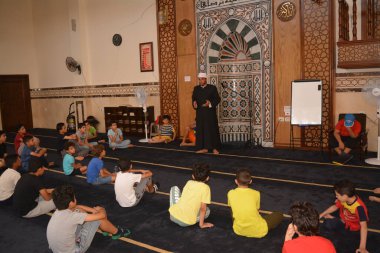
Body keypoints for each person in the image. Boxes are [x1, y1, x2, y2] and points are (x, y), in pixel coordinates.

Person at [47, 185, 131, 253]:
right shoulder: (72, 216)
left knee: (81, 211)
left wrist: (93, 210)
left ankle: (105, 229)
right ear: (71, 202)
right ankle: (117, 232)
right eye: (75, 198)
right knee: (99, 219)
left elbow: (77, 207)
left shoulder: (59, 210)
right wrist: (100, 209)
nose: (76, 199)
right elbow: (101, 215)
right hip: (75, 250)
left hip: (57, 250)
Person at [227, 168, 283, 238]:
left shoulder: (230, 193)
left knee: (233, 210)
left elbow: (232, 210)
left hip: (238, 230)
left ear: (236, 181)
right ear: (250, 181)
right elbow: (257, 211)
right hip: (258, 230)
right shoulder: (256, 193)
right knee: (279, 214)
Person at [319, 180, 368, 253]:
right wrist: (321, 215)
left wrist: (362, 247)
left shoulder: (359, 208)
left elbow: (364, 226)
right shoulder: (345, 199)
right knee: (327, 221)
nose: (336, 196)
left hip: (352, 227)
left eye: (337, 195)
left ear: (345, 196)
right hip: (344, 219)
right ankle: (337, 220)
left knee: (340, 244)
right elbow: (335, 207)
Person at [169, 163, 213, 228]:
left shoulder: (189, 182)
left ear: (193, 176)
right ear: (207, 178)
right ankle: (188, 214)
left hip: (172, 216)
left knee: (174, 188)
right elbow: (203, 209)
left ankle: (180, 208)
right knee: (207, 211)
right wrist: (202, 224)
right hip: (185, 222)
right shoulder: (206, 188)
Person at [192, 72, 221, 154]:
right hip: (200, 113)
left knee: (212, 130)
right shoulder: (196, 88)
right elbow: (193, 99)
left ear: (205, 79)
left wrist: (210, 104)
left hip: (210, 114)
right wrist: (194, 103)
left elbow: (218, 99)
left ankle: (215, 148)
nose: (200, 81)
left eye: (202, 79)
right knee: (202, 131)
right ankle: (204, 148)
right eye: (199, 79)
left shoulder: (212, 88)